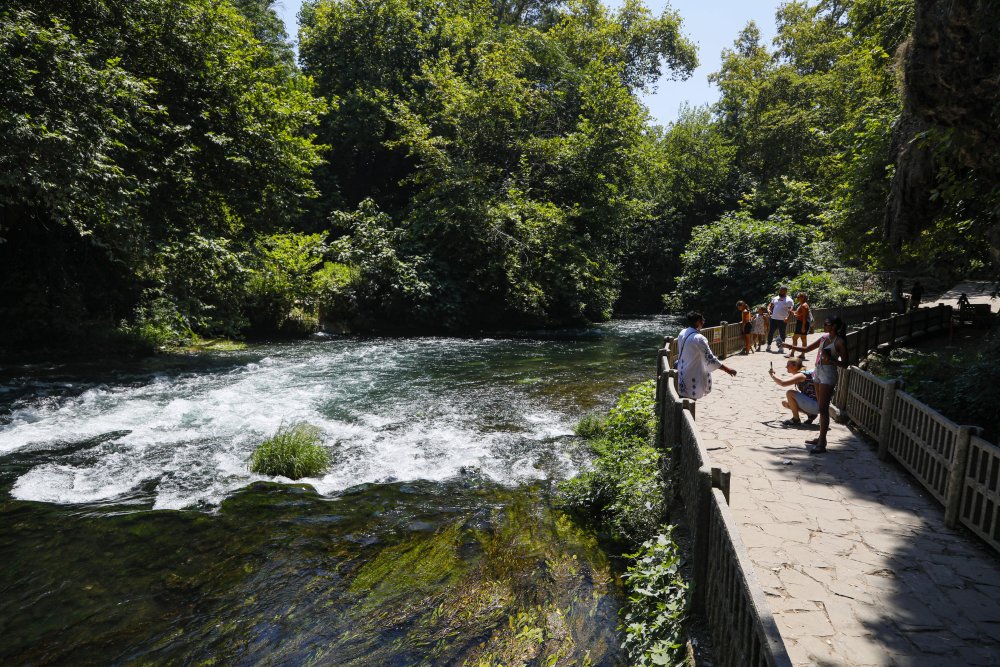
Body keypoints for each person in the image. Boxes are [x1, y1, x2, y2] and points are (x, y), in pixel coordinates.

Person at [781, 316, 848, 453]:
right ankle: (821, 438)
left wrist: (831, 359)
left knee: (823, 409)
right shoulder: (824, 337)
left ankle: (822, 443)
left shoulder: (839, 342)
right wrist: (790, 346)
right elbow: (806, 349)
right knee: (820, 407)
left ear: (834, 326)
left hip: (828, 374)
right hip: (817, 371)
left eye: (826, 324)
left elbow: (846, 364)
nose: (824, 325)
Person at [676, 311, 738, 399]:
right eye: (702, 320)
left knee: (682, 398)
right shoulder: (699, 338)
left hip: (682, 371)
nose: (704, 322)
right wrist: (727, 369)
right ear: (698, 322)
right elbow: (710, 359)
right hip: (693, 373)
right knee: (691, 398)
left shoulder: (682, 332)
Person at [768, 358, 818, 425]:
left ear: (795, 366)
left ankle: (796, 419)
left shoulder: (801, 375)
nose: (786, 367)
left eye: (788, 365)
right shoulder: (802, 373)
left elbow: (783, 383)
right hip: (815, 405)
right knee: (785, 402)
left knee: (790, 393)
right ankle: (810, 414)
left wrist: (772, 375)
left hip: (815, 405)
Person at [766, 286, 794, 352]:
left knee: (782, 334)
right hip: (773, 318)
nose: (780, 292)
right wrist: (769, 309)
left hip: (782, 319)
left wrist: (787, 318)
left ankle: (781, 347)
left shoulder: (789, 300)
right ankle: (768, 346)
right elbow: (770, 305)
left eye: (782, 291)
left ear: (786, 291)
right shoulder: (775, 298)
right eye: (780, 290)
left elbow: (790, 310)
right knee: (770, 332)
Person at [787, 292, 810, 359]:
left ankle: (792, 354)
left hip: (802, 323)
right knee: (803, 339)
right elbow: (799, 314)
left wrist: (803, 326)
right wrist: (792, 313)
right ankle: (802, 354)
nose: (797, 298)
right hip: (802, 323)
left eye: (798, 297)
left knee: (795, 338)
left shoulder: (804, 305)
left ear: (803, 297)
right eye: (797, 297)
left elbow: (805, 317)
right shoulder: (802, 305)